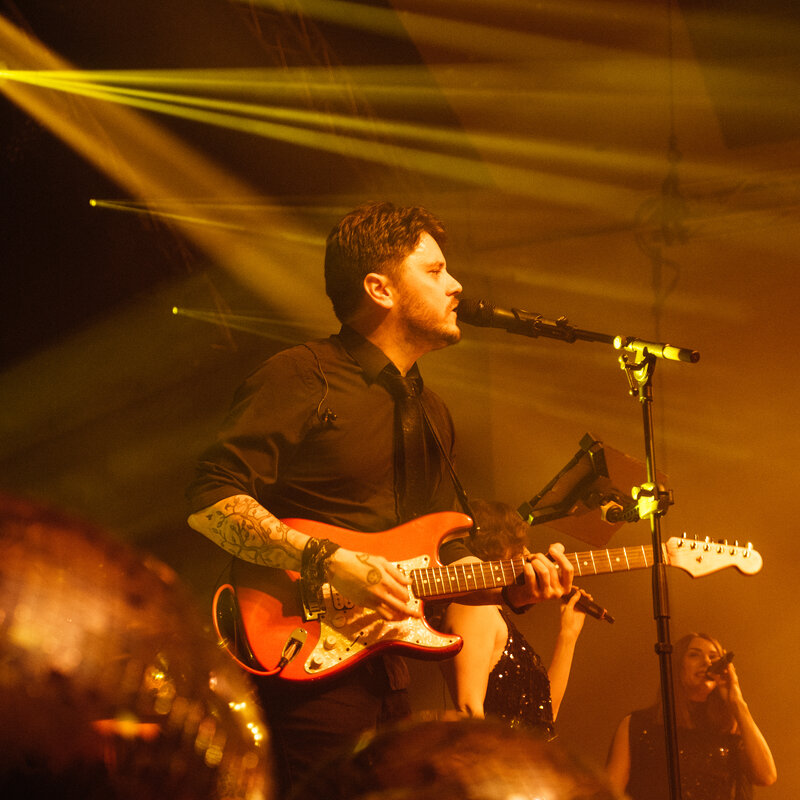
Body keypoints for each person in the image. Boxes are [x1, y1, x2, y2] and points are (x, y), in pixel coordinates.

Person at [185, 201, 575, 796]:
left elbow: (431, 567)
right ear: (380, 288)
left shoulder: (433, 413)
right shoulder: (301, 375)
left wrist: (510, 589)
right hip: (298, 663)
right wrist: (326, 560)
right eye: (436, 270)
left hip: (387, 672)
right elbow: (211, 499)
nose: (456, 285)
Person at [437, 499, 589, 738]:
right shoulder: (472, 609)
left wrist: (568, 635)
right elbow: (469, 712)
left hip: (525, 764)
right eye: (519, 548)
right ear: (496, 549)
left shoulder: (494, 612)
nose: (528, 555)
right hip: (499, 766)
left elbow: (544, 715)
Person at [605, 632, 777, 800]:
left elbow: (766, 776)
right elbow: (609, 792)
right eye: (694, 655)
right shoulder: (638, 724)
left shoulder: (731, 726)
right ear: (677, 665)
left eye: (713, 657)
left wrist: (737, 702)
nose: (707, 662)